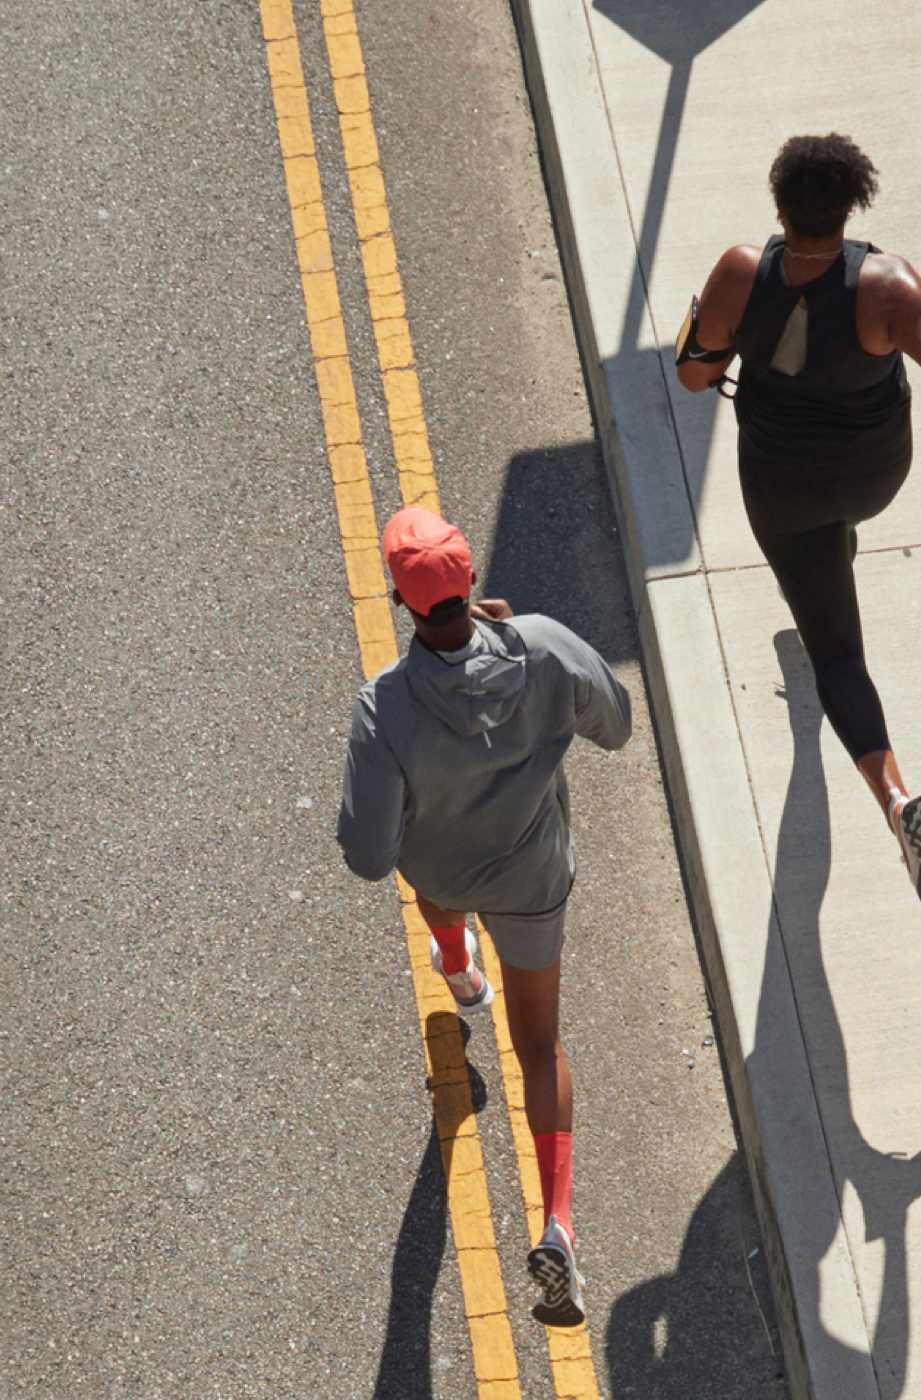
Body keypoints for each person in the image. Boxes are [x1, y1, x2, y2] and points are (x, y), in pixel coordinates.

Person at [675, 132, 921, 912]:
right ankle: (826, 572)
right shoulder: (887, 284)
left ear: (780, 206)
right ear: (854, 205)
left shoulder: (740, 271)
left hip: (781, 485)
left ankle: (894, 802)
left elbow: (693, 375)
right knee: (834, 540)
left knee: (837, 652)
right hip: (875, 472)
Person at [336, 506, 632, 1328]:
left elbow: (367, 855)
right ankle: (558, 1227)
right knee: (537, 1046)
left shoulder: (383, 709)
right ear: (469, 584)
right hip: (533, 876)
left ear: (401, 602)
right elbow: (618, 723)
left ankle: (457, 964)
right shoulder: (540, 644)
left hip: (444, 869)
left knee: (431, 882)